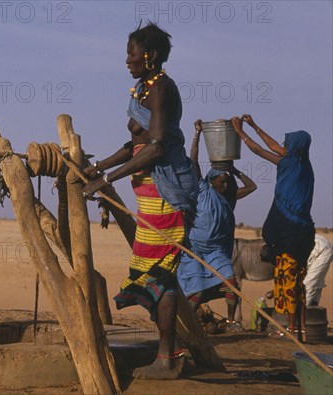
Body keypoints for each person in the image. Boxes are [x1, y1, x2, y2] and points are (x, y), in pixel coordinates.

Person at [83, 23, 198, 379]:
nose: (127, 60)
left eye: (131, 54)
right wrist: (98, 167)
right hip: (149, 196)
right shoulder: (143, 89)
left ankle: (166, 357)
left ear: (149, 55)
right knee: (148, 274)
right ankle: (172, 347)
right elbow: (134, 143)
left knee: (161, 274)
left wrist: (106, 180)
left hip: (168, 193)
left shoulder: (162, 88)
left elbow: (158, 145)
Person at [232, 114, 315, 342]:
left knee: (286, 282)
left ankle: (290, 331)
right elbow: (275, 146)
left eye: (286, 145)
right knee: (298, 283)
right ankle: (302, 330)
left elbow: (260, 151)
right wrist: (255, 125)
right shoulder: (303, 165)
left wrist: (240, 132)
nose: (282, 147)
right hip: (305, 235)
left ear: (293, 148)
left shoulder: (288, 163)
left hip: (289, 234)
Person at [177, 120, 257, 331]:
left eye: (226, 182)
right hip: (195, 250)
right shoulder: (202, 189)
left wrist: (234, 170)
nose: (225, 184)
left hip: (217, 252)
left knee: (231, 284)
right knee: (196, 293)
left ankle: (231, 322)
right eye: (221, 181)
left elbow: (252, 186)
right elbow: (193, 160)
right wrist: (197, 135)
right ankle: (185, 325)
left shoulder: (230, 196)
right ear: (211, 181)